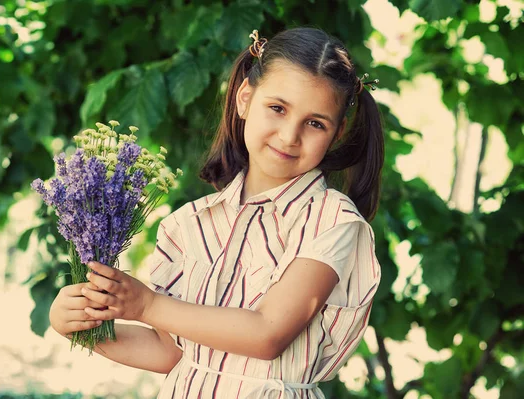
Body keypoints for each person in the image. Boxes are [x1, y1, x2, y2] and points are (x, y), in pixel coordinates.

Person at [49, 26, 384, 398]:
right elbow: (171, 352)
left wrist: (147, 305)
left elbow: (268, 334)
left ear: (336, 135)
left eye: (315, 123)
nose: (290, 135)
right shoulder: (188, 224)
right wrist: (82, 327)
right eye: (277, 108)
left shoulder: (332, 220)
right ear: (244, 98)